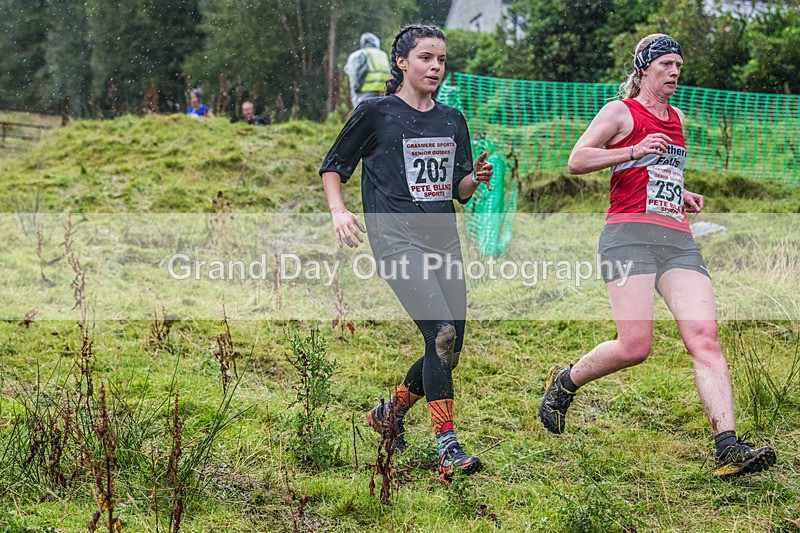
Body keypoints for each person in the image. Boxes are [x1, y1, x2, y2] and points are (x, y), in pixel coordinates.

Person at [538, 34, 776, 478]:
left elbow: (656, 174)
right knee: (635, 347)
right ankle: (565, 382)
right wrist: (631, 149)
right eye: (666, 64)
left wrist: (680, 193)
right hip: (627, 237)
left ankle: (728, 445)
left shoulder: (678, 117)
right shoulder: (620, 112)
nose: (674, 73)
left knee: (704, 337)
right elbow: (576, 159)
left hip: (676, 238)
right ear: (644, 69)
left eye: (679, 67)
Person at [320, 24, 493, 479]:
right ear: (402, 63)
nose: (435, 67)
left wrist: (476, 177)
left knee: (450, 346)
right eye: (425, 58)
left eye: (440, 60)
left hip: (443, 240)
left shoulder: (452, 119)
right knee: (440, 334)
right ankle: (448, 448)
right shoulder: (376, 113)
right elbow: (333, 166)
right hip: (395, 240)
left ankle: (389, 415)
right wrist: (339, 212)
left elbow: (459, 190)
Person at [343, 32, 391, 108]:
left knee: (366, 116)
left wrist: (356, 90)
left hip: (368, 92)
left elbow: (358, 73)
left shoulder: (362, 54)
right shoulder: (383, 54)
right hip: (384, 92)